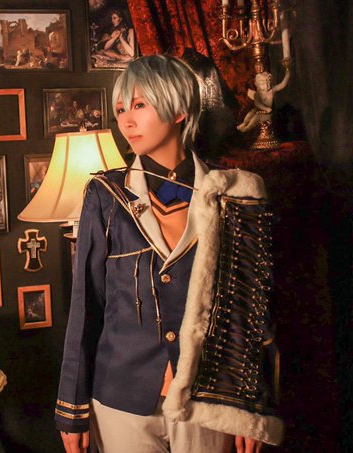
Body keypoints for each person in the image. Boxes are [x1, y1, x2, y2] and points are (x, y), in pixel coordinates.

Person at [55, 55, 283, 453]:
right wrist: (71, 408)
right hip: (121, 397)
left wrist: (251, 406)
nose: (126, 120)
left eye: (139, 105)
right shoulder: (105, 196)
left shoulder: (234, 193)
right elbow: (85, 306)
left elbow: (249, 311)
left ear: (178, 110)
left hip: (209, 397)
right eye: (121, 109)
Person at [237, 63, 291, 132]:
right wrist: (266, 108)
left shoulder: (272, 91)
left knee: (257, 117)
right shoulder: (257, 94)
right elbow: (257, 104)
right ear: (256, 84)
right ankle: (244, 123)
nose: (266, 85)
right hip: (259, 110)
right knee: (250, 113)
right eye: (262, 83)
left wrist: (288, 73)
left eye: (268, 82)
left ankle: (247, 128)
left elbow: (282, 84)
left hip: (267, 114)